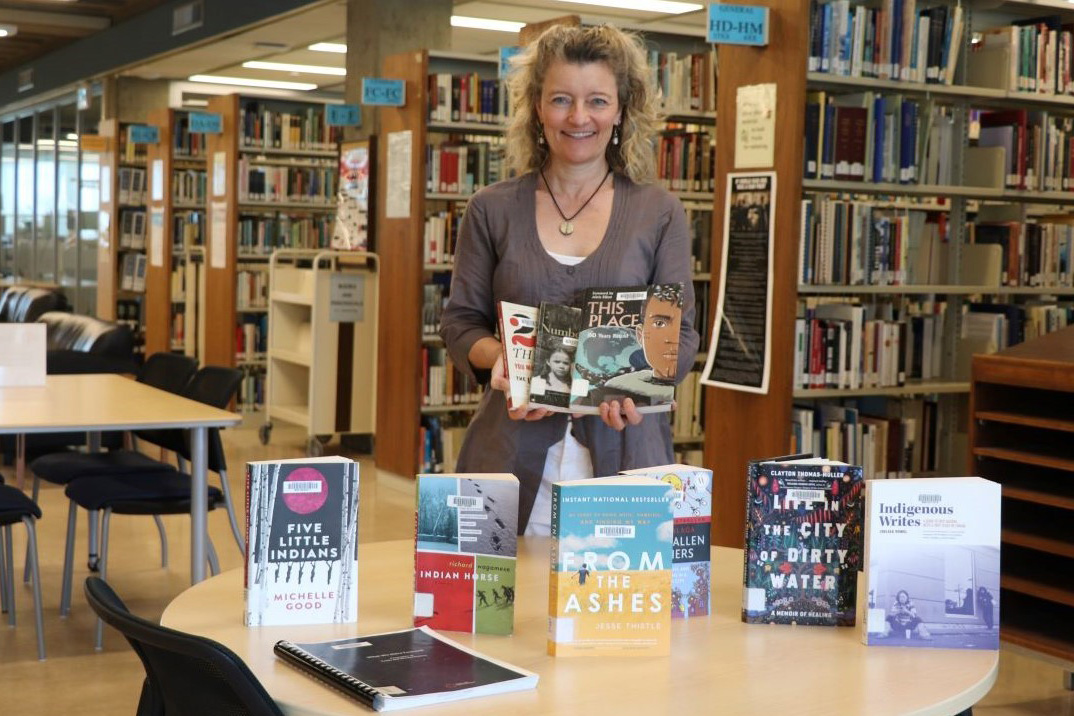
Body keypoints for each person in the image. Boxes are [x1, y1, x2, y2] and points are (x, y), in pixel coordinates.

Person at [439, 24, 699, 535]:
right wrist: (506, 364)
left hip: (626, 460)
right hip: (507, 456)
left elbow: (682, 333)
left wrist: (643, 384)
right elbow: (460, 324)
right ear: (537, 107)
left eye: (597, 100)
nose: (579, 118)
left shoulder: (659, 212)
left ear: (622, 109)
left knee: (615, 612)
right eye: (561, 99)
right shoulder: (491, 209)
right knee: (503, 612)